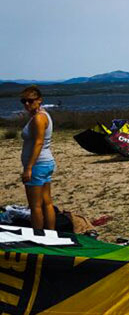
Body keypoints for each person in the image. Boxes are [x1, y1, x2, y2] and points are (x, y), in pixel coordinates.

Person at [19, 86, 57, 230]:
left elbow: (39, 142)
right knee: (46, 202)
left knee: (35, 206)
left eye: (30, 100)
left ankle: (39, 236)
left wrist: (28, 168)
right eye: (24, 101)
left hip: (38, 165)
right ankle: (50, 234)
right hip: (45, 163)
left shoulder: (39, 118)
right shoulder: (42, 115)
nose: (27, 104)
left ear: (39, 100)